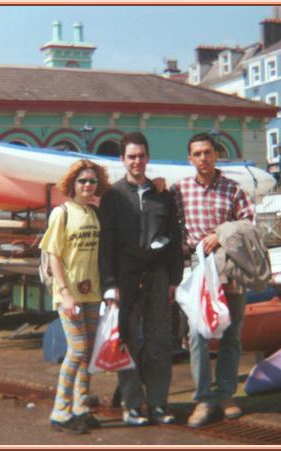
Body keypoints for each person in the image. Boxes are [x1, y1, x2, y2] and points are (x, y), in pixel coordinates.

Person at [98, 132, 183, 426]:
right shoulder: (112, 197)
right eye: (131, 156)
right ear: (122, 160)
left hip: (158, 277)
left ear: (148, 157)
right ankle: (133, 405)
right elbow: (105, 244)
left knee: (160, 343)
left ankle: (159, 404)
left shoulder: (162, 194)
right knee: (129, 342)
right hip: (126, 280)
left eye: (141, 156)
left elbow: (174, 238)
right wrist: (109, 285)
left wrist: (175, 278)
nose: (137, 161)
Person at [171, 132, 253, 428]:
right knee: (197, 333)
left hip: (231, 264)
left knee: (231, 331)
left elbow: (248, 224)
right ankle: (204, 397)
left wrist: (220, 234)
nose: (203, 158)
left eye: (208, 152)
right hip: (199, 267)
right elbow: (170, 223)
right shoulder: (179, 190)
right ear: (190, 158)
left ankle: (226, 393)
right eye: (197, 153)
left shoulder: (233, 189)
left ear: (215, 154)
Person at [39, 159, 111, 434]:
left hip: (92, 292)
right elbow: (54, 255)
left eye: (92, 181)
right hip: (68, 294)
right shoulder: (62, 213)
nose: (88, 185)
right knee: (77, 350)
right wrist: (65, 293)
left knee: (88, 351)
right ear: (72, 184)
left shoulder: (93, 212)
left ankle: (81, 407)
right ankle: (60, 411)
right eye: (83, 181)